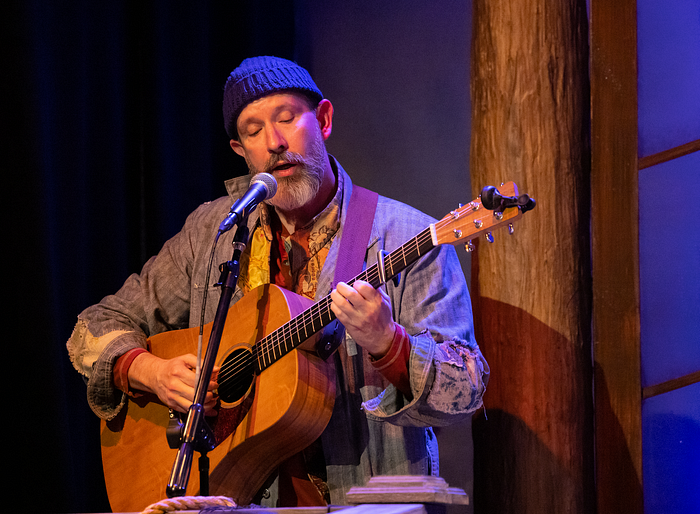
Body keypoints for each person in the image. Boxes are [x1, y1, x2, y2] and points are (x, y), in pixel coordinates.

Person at [67, 56, 488, 507]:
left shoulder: (409, 237)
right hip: (233, 497)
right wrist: (152, 372)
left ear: (323, 120)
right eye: (253, 131)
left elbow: (466, 390)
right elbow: (92, 328)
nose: (274, 142)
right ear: (239, 149)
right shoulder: (212, 234)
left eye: (287, 119)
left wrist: (389, 343)